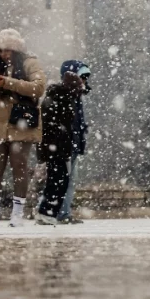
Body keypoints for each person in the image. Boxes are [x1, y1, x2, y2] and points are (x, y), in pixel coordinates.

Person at [0, 29, 46, 228]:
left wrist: (6, 82)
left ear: (17, 49)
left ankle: (17, 214)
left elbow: (38, 88)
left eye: (9, 50)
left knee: (19, 169)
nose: (5, 54)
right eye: (2, 50)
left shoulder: (30, 63)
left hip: (21, 123)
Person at [36, 70, 84, 225]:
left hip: (56, 148)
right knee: (57, 181)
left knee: (58, 181)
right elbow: (54, 129)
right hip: (55, 148)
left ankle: (48, 212)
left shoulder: (58, 99)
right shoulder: (58, 101)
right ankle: (46, 212)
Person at [56, 60, 92, 224]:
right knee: (66, 180)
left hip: (71, 143)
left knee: (66, 179)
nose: (84, 81)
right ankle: (61, 213)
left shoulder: (74, 96)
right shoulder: (68, 97)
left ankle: (58, 211)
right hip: (68, 144)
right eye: (82, 77)